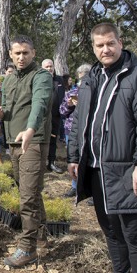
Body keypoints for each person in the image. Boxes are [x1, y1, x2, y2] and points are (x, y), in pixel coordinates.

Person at [68, 22, 137, 273]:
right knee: (111, 231)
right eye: (100, 45)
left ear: (120, 42)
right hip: (97, 170)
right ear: (93, 47)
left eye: (110, 43)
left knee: (135, 236)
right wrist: (74, 156)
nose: (106, 49)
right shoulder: (91, 79)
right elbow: (80, 120)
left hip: (127, 171)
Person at [0, 35, 53, 268]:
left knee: (27, 196)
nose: (21, 57)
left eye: (26, 52)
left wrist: (30, 129)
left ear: (33, 53)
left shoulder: (42, 76)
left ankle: (28, 248)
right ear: (10, 54)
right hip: (14, 142)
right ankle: (41, 233)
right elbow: (7, 111)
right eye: (17, 53)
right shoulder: (7, 80)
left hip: (33, 141)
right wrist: (0, 113)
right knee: (28, 189)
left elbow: (40, 104)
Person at [59, 63, 91, 198]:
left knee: (90, 159)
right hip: (71, 130)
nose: (81, 81)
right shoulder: (72, 92)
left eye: (85, 78)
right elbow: (61, 111)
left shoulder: (96, 91)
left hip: (90, 130)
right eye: (80, 78)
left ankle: (92, 190)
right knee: (74, 158)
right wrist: (69, 105)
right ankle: (75, 185)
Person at [41, 59, 65, 174]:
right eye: (46, 67)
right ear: (42, 68)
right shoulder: (39, 80)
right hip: (43, 116)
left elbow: (62, 96)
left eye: (51, 66)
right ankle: (40, 163)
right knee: (41, 139)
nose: (49, 68)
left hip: (56, 116)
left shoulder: (59, 79)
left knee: (53, 140)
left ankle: (51, 163)